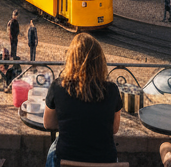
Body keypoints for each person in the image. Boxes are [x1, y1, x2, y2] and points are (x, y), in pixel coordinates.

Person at [43, 32, 122, 167]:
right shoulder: (112, 90)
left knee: (54, 148)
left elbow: (48, 124)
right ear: (100, 61)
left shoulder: (58, 87)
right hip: (105, 162)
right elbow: (114, 128)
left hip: (66, 161)